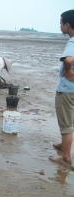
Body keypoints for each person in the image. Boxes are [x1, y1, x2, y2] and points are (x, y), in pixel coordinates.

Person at [50, 9, 74, 165]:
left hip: (66, 90)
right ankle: (63, 145)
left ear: (67, 24)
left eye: (61, 23)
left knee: (66, 124)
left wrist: (67, 69)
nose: (60, 26)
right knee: (67, 120)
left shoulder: (72, 42)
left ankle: (66, 157)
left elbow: (69, 59)